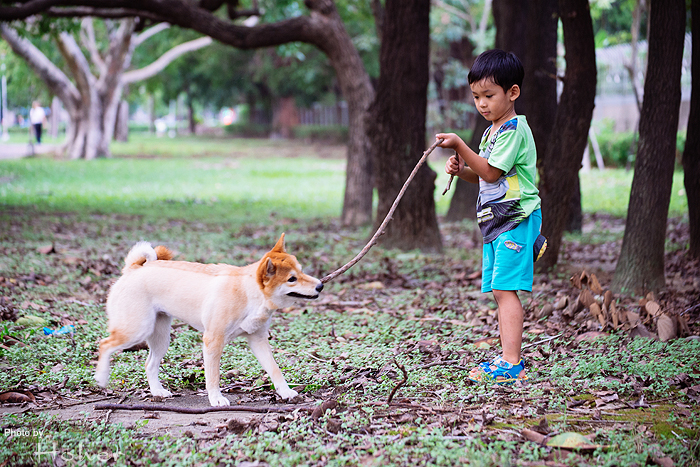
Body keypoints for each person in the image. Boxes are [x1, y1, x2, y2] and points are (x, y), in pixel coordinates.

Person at [436, 49, 547, 385]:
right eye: (476, 97)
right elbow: (483, 174)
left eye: (489, 95)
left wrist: (459, 144)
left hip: (516, 219)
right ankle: (507, 359)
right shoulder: (492, 132)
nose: (481, 104)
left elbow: (493, 172)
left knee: (505, 289)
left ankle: (513, 364)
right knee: (500, 291)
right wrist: (462, 169)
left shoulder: (513, 130)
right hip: (497, 223)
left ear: (512, 93)